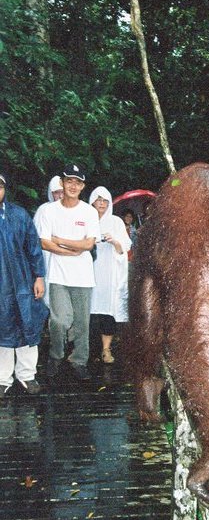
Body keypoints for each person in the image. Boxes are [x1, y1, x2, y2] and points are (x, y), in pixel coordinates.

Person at [36, 163, 101, 381]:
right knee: (59, 320)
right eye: (69, 181)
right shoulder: (49, 211)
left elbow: (89, 244)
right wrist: (71, 250)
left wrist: (60, 240)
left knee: (82, 323)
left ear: (83, 186)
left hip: (83, 276)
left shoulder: (89, 212)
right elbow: (44, 242)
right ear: (62, 183)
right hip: (58, 275)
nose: (73, 186)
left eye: (78, 182)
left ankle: (79, 360)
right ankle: (56, 354)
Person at [0, 171, 48, 398]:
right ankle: (2, 378)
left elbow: (33, 248)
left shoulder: (19, 215)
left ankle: (27, 375)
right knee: (2, 329)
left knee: (28, 325)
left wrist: (39, 276)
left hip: (23, 283)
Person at [89, 187, 131, 364]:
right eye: (98, 200)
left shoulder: (116, 222)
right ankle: (86, 351)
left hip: (109, 274)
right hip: (87, 273)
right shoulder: (85, 218)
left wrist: (114, 241)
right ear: (92, 201)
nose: (101, 204)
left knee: (107, 310)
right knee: (88, 312)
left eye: (105, 201)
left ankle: (106, 349)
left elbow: (124, 248)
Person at [33, 176, 65, 307]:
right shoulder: (43, 210)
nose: (60, 195)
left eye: (62, 192)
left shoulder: (72, 210)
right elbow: (36, 237)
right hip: (46, 256)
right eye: (56, 192)